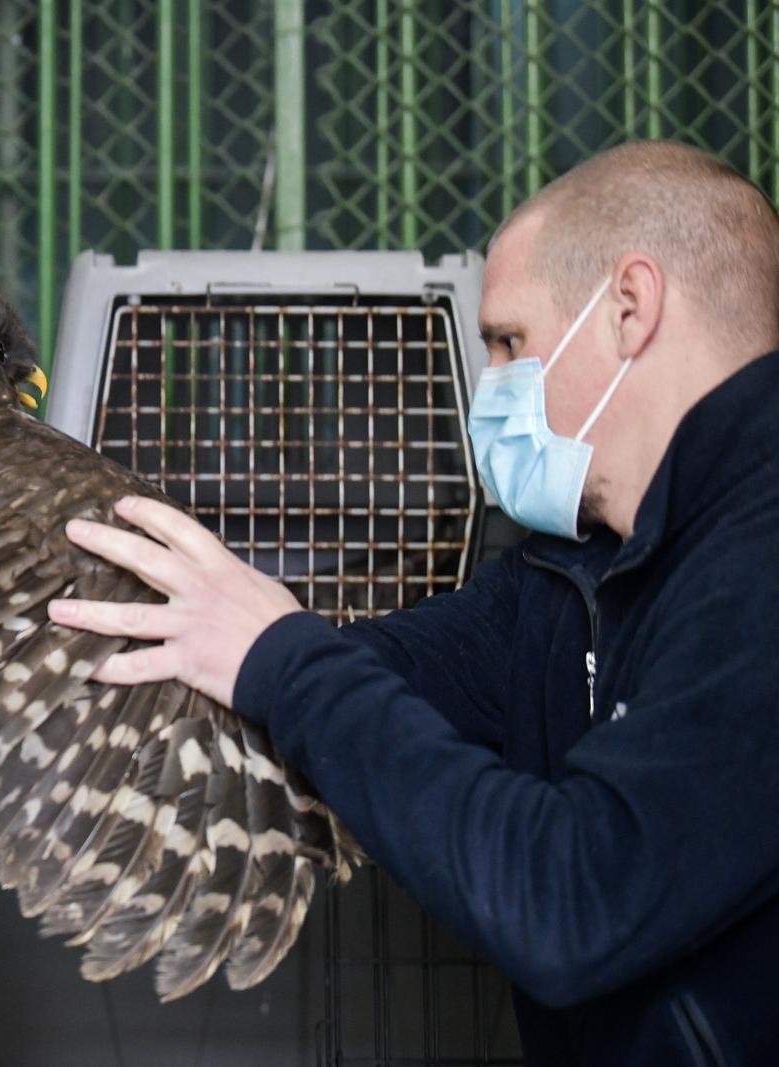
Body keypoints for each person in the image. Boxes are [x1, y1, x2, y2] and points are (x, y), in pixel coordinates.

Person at [49, 140, 779, 1065]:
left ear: (629, 309)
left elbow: (570, 900)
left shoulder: (758, 566)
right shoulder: (571, 576)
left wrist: (282, 653)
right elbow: (370, 671)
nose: (492, 388)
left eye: (512, 342)